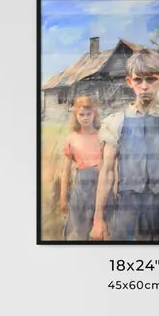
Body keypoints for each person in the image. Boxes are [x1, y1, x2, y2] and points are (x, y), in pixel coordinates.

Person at [90, 51, 159, 242]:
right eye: (138, 80)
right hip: (128, 208)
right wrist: (98, 219)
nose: (144, 87)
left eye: (151, 79)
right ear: (130, 82)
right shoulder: (116, 122)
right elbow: (107, 172)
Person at [59, 95, 108, 241]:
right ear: (75, 115)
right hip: (81, 189)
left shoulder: (102, 136)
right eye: (81, 114)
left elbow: (110, 166)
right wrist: (63, 197)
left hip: (101, 186)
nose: (85, 118)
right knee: (79, 231)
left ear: (94, 114)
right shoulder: (72, 138)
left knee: (102, 229)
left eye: (89, 114)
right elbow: (66, 171)